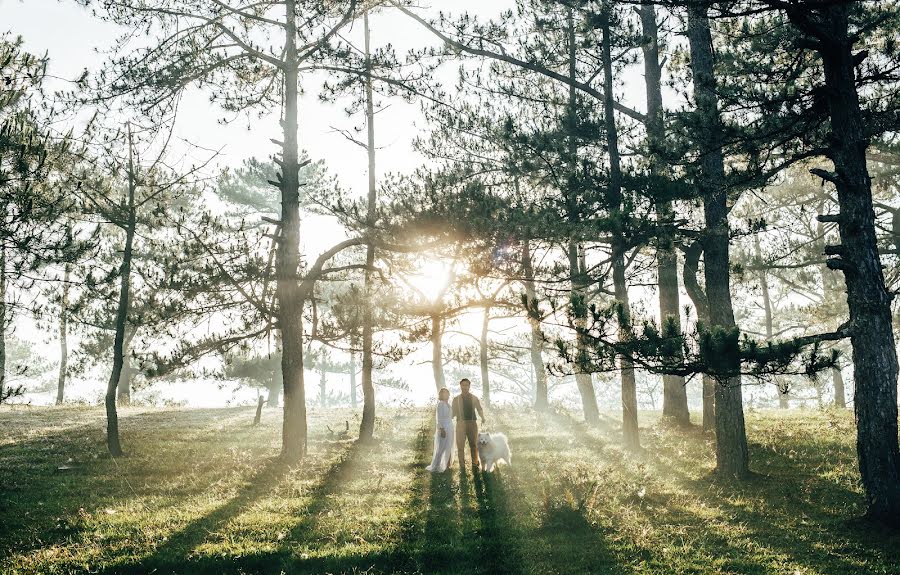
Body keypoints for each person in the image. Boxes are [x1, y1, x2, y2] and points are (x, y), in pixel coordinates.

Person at [451, 378, 485, 470]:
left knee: (473, 444)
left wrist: (483, 417)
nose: (465, 387)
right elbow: (452, 413)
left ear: (469, 386)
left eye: (466, 385)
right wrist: (444, 421)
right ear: (460, 386)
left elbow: (479, 409)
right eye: (463, 385)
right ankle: (462, 466)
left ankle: (475, 463)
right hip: (460, 424)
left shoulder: (474, 398)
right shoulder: (456, 399)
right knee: (460, 445)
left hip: (472, 423)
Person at [426, 387, 454, 473]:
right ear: (441, 395)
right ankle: (436, 466)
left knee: (448, 446)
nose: (445, 394)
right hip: (443, 427)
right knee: (440, 448)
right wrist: (441, 429)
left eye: (447, 393)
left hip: (450, 427)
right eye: (443, 393)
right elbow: (438, 419)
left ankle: (444, 465)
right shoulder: (441, 404)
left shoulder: (448, 404)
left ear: (449, 394)